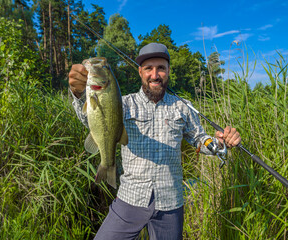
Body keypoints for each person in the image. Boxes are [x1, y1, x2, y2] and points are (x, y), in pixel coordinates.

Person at [68, 43, 241, 240]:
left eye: (161, 68)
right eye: (149, 68)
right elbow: (88, 119)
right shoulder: (123, 103)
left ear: (168, 71)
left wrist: (221, 142)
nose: (155, 74)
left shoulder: (184, 107)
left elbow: (199, 140)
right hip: (129, 198)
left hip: (171, 203)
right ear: (140, 71)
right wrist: (78, 93)